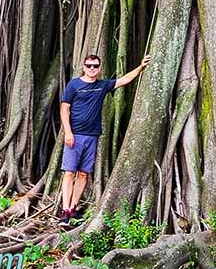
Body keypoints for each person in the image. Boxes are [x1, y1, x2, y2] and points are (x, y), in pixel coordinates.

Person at [59, 52, 152, 223]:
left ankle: (73, 207)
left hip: (92, 136)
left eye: (95, 66)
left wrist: (141, 66)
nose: (92, 69)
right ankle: (65, 210)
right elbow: (64, 109)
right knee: (69, 173)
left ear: (100, 68)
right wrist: (68, 132)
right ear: (83, 67)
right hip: (75, 136)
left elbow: (124, 80)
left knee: (84, 174)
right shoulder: (74, 85)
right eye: (89, 66)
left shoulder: (103, 85)